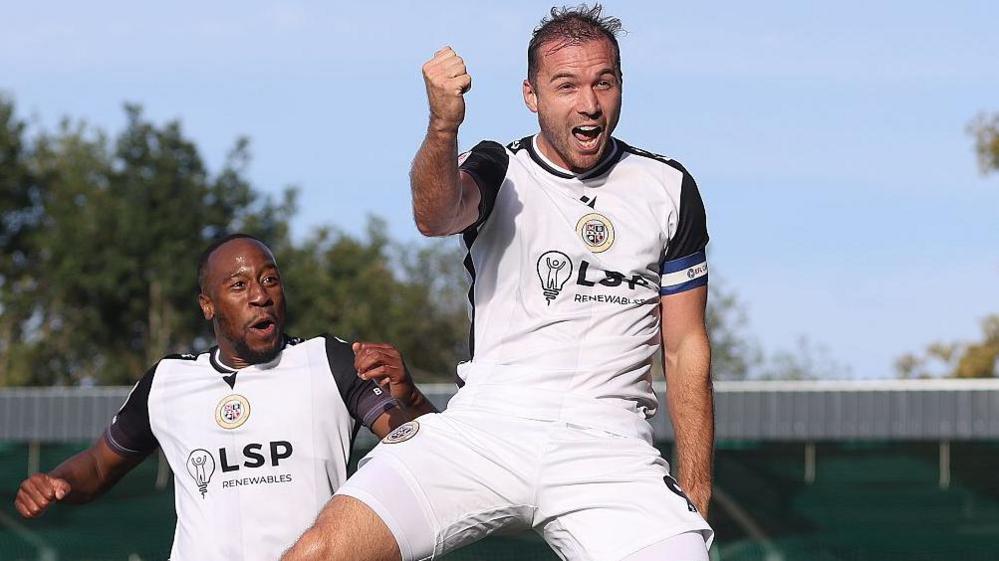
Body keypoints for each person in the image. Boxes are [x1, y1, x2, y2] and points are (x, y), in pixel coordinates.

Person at [285, 5, 714, 561]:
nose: (589, 103)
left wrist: (697, 491)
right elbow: (434, 216)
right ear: (531, 95)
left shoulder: (668, 186)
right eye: (566, 86)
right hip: (486, 428)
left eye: (603, 83)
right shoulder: (498, 165)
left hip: (608, 448)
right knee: (320, 553)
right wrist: (444, 123)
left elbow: (684, 348)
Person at [14, 234, 436, 560]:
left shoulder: (330, 360)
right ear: (208, 305)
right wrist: (59, 482)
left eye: (270, 279)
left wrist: (411, 398)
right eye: (239, 285)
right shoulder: (167, 381)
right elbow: (98, 464)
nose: (260, 295)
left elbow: (417, 449)